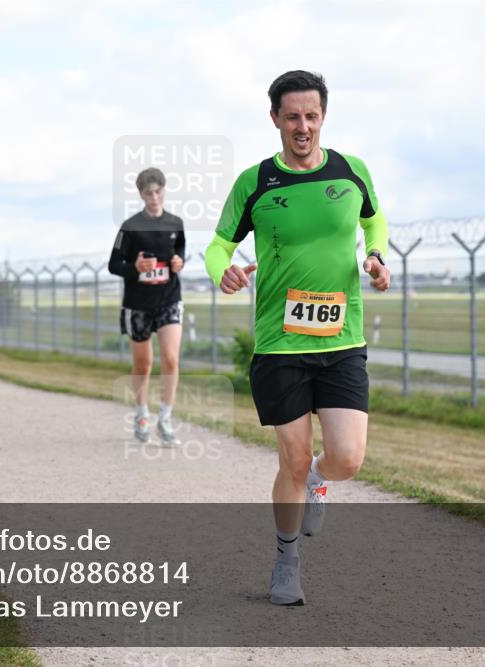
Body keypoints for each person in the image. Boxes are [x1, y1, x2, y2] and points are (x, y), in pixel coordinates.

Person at [203, 71, 390, 606]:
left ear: (323, 116)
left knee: (348, 458)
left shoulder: (351, 171)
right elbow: (218, 244)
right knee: (290, 456)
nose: (302, 126)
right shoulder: (256, 182)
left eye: (311, 116)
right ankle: (286, 560)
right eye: (292, 117)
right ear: (275, 119)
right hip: (280, 344)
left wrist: (376, 257)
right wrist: (225, 271)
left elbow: (375, 224)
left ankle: (319, 480)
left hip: (341, 339)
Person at [108, 167, 186, 445]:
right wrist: (136, 267)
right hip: (138, 304)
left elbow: (179, 256)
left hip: (169, 300)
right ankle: (141, 413)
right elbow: (113, 265)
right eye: (148, 192)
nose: (154, 197)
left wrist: (178, 263)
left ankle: (165, 418)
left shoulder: (176, 223)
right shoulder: (129, 227)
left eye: (158, 191)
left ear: (164, 190)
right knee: (144, 364)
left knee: (171, 358)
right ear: (140, 194)